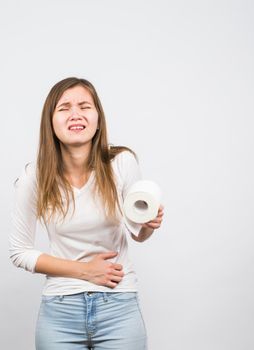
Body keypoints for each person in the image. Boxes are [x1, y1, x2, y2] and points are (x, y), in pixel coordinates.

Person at [9, 77, 164, 350]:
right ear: (51, 121)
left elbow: (138, 233)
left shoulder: (122, 163)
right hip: (60, 310)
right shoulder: (34, 177)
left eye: (84, 106)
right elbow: (19, 252)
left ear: (98, 119)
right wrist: (85, 271)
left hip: (118, 306)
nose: (75, 114)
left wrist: (149, 223)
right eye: (64, 108)